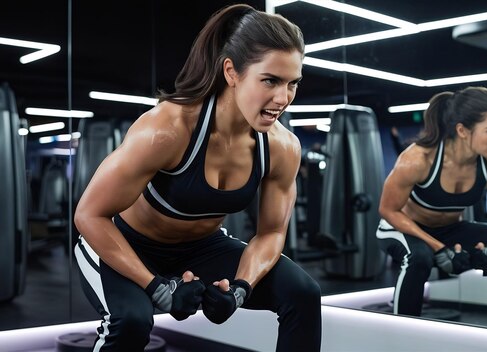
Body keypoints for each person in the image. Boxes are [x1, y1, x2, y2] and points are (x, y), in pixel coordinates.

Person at [73, 4, 321, 351]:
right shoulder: (167, 129)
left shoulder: (282, 147)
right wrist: (157, 287)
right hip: (124, 243)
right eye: (270, 80)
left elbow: (272, 232)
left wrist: (240, 289)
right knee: (130, 322)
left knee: (302, 293)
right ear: (231, 72)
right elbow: (89, 215)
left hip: (202, 247)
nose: (283, 98)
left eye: (293, 83)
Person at [376, 86, 487, 334]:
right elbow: (388, 210)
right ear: (462, 130)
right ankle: (403, 338)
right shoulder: (418, 159)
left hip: (450, 229)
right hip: (401, 228)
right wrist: (439, 248)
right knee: (419, 259)